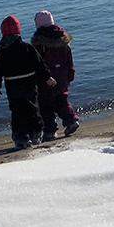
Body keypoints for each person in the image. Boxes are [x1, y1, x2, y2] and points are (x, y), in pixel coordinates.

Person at [0, 15, 56, 149]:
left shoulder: (1, 51)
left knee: (17, 112)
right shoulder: (27, 47)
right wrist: (47, 77)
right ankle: (35, 134)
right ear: (18, 30)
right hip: (29, 83)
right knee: (33, 109)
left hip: (12, 85)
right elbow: (39, 64)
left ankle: (20, 138)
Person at [30, 10, 80, 140]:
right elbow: (69, 59)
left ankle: (50, 130)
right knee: (61, 100)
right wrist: (71, 74)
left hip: (46, 80)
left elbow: (36, 63)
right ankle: (71, 120)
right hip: (62, 77)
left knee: (45, 105)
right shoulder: (62, 40)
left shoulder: (38, 42)